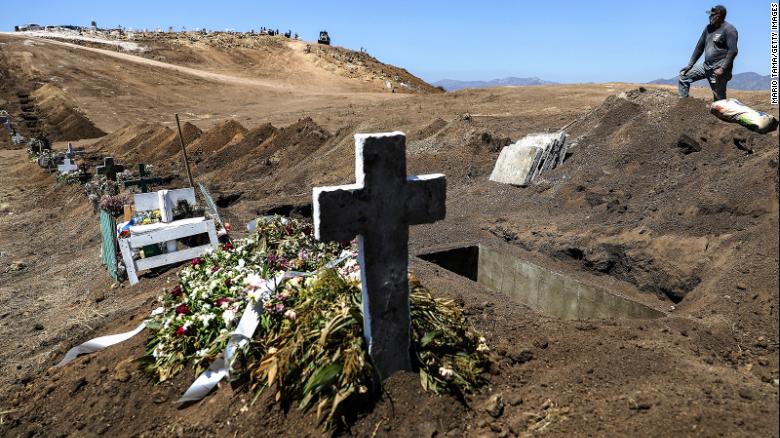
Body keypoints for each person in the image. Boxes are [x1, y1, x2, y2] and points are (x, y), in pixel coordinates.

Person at [678, 5, 738, 101]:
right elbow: (699, 47)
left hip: (719, 69)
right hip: (706, 66)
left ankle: (720, 114)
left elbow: (733, 51)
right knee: (683, 76)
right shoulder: (708, 28)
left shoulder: (729, 30)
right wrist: (690, 64)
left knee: (719, 100)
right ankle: (683, 105)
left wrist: (722, 69)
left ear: (718, 16)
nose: (709, 17)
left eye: (712, 15)